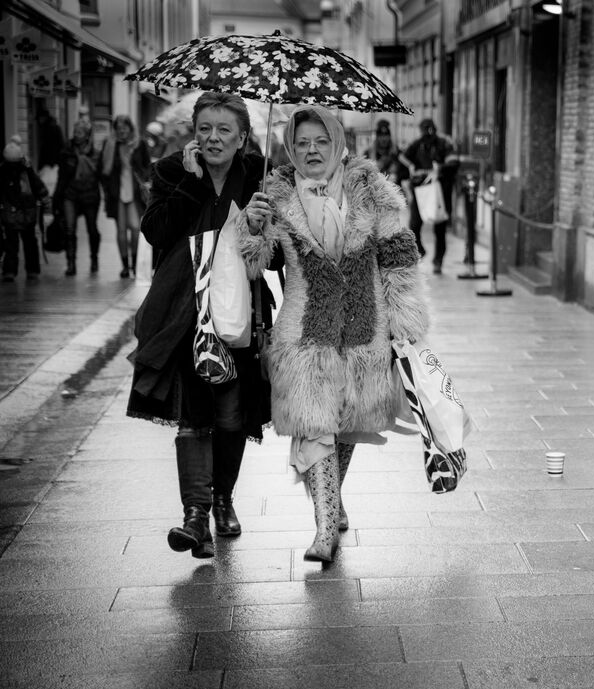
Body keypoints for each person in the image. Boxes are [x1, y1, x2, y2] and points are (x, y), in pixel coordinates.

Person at [239, 104, 429, 563]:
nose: (311, 150)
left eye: (320, 141)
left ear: (337, 143)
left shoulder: (372, 190)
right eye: (301, 142)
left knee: (346, 425)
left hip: (366, 329)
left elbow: (399, 260)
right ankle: (325, 529)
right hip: (304, 333)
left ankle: (332, 499)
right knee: (315, 427)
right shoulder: (275, 193)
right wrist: (253, 226)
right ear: (290, 148)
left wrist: (405, 328)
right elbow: (255, 264)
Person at [126, 92, 275, 559]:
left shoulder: (259, 175)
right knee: (194, 415)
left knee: (231, 414)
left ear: (242, 138)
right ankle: (195, 518)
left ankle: (222, 500)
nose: (213, 138)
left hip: (241, 311)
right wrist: (190, 184)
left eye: (224, 130)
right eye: (204, 128)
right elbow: (156, 232)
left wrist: (260, 227)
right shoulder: (173, 171)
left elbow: (277, 257)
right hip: (184, 311)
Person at [399, 118, 458, 274]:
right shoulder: (417, 144)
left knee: (440, 228)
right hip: (421, 192)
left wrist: (440, 169)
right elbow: (403, 157)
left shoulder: (444, 143)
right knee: (414, 224)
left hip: (440, 193)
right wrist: (411, 166)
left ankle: (438, 260)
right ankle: (420, 250)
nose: (427, 135)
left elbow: (453, 162)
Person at [100, 115, 152, 278]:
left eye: (124, 127)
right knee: (121, 230)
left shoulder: (139, 144)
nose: (121, 131)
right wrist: (108, 190)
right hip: (117, 193)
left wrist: (145, 180)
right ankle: (124, 266)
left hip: (135, 192)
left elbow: (148, 166)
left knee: (136, 228)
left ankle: (134, 264)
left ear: (130, 128)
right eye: (118, 128)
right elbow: (103, 170)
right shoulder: (110, 145)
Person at [55, 120, 102, 276]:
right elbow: (61, 177)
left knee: (92, 229)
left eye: (80, 132)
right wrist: (56, 199)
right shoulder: (66, 152)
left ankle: (94, 259)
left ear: (87, 135)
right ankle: (71, 264)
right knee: (70, 229)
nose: (76, 135)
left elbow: (101, 175)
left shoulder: (95, 153)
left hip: (90, 194)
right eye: (75, 132)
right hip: (71, 194)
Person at [0, 139, 49, 282]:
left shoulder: (8, 170)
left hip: (16, 213)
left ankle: (11, 271)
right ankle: (29, 270)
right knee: (26, 242)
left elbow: (37, 185)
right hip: (24, 213)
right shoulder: (26, 170)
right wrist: (45, 200)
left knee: (14, 243)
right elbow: (38, 186)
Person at [364, 119, 403, 184]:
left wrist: (397, 174)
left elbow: (405, 171)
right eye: (381, 136)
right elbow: (364, 174)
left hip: (394, 186)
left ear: (389, 136)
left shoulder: (396, 152)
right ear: (377, 137)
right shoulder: (368, 153)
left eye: (386, 135)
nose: (384, 139)